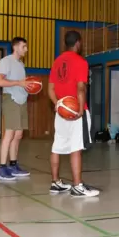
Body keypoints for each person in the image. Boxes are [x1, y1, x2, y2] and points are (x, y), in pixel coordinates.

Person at [48, 31, 99, 197]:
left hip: (61, 111)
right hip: (76, 110)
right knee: (76, 148)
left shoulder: (57, 61)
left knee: (57, 146)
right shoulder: (80, 61)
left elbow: (50, 89)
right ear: (78, 42)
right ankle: (77, 186)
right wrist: (79, 110)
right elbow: (80, 87)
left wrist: (58, 104)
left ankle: (55, 183)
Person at [0, 37, 32, 180]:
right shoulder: (6, 61)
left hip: (22, 101)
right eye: (24, 46)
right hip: (11, 100)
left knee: (18, 135)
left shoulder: (21, 64)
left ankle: (13, 165)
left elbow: (22, 84)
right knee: (9, 134)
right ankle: (2, 169)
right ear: (16, 47)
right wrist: (18, 83)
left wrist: (29, 86)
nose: (26, 49)